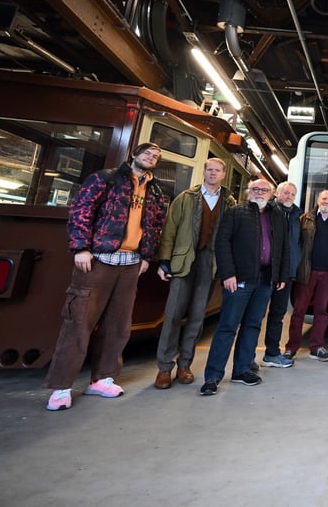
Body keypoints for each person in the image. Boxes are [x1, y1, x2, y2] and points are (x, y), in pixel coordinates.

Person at [44, 142, 168, 411]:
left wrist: (147, 256)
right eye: (147, 153)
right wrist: (80, 247)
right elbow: (81, 210)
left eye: (156, 156)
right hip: (98, 260)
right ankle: (61, 386)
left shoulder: (155, 190)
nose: (151, 157)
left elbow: (156, 224)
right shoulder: (106, 178)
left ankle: (102, 379)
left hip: (131, 263)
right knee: (78, 323)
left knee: (118, 326)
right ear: (133, 154)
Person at [199, 178, 289, 395]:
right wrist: (228, 273)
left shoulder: (277, 216)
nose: (260, 193)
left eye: (264, 190)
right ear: (249, 192)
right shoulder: (236, 212)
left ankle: (241, 370)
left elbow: (283, 248)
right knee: (228, 327)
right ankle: (212, 376)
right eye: (256, 189)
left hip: (265, 281)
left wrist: (281, 275)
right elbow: (222, 243)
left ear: (271, 193)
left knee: (252, 326)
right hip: (239, 280)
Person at [153, 158, 236, 389]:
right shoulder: (185, 198)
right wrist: (164, 261)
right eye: (209, 170)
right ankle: (164, 368)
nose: (213, 173)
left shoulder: (229, 202)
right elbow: (169, 230)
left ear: (223, 174)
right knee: (173, 315)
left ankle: (184, 365)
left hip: (210, 263)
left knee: (197, 317)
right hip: (183, 261)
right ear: (204, 172)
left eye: (217, 170)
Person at [285, 188, 328, 361]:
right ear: (318, 201)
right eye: (323, 199)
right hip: (307, 272)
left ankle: (316, 346)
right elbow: (295, 245)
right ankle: (291, 347)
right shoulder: (305, 219)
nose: (326, 202)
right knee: (299, 311)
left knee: (321, 311)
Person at [260, 180, 301, 368]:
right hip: (266, 271)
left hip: (286, 273)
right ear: (276, 193)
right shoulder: (267, 212)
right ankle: (246, 359)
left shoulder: (296, 216)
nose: (289, 197)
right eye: (285, 193)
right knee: (256, 315)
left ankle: (272, 353)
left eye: (292, 194)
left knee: (277, 314)